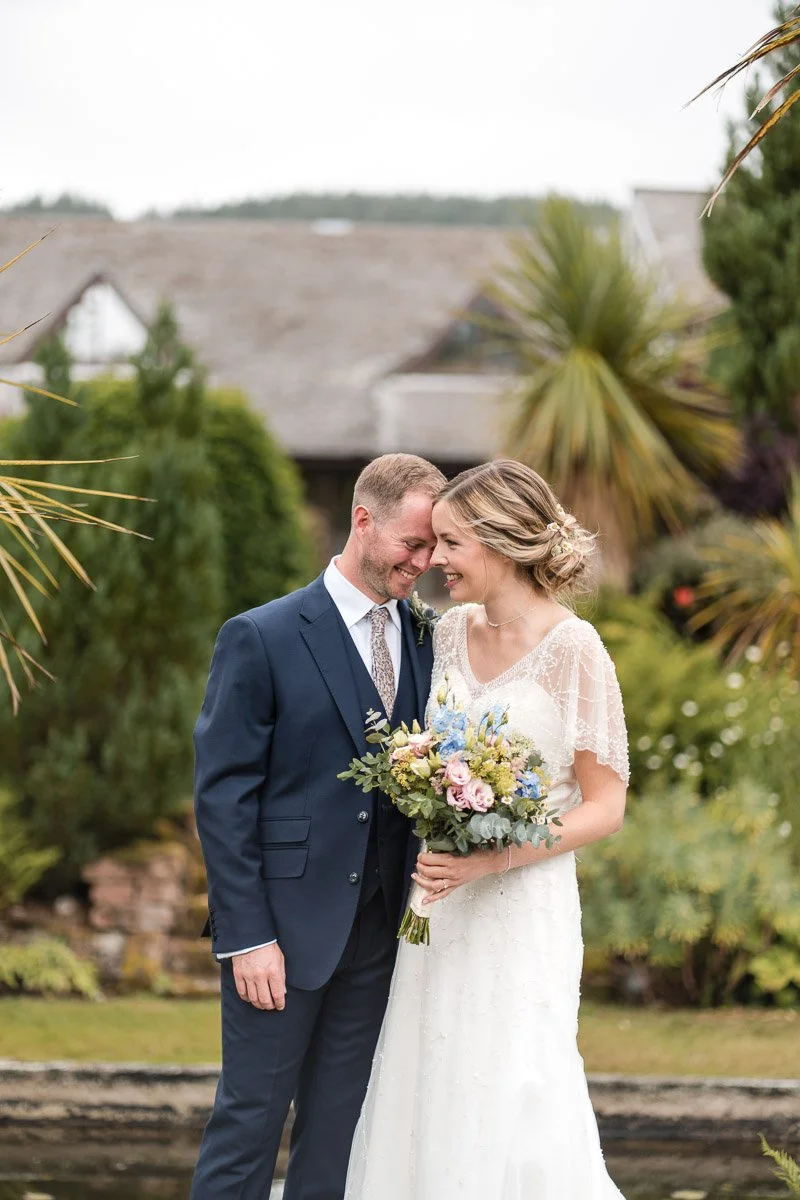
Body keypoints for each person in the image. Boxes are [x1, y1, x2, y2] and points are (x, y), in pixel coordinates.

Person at [345, 459, 629, 1199]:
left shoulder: (576, 650)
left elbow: (605, 805)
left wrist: (495, 860)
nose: (434, 560)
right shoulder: (444, 635)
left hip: (520, 909)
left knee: (514, 1088)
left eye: (451, 544)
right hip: (438, 906)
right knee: (425, 1078)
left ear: (502, 546)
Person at [190, 452, 446, 1200]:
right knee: (248, 1125)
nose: (422, 563)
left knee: (338, 1134)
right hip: (281, 933)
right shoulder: (260, 636)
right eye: (412, 544)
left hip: (381, 932)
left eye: (433, 549)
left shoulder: (430, 639)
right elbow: (224, 795)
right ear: (363, 521)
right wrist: (248, 936)